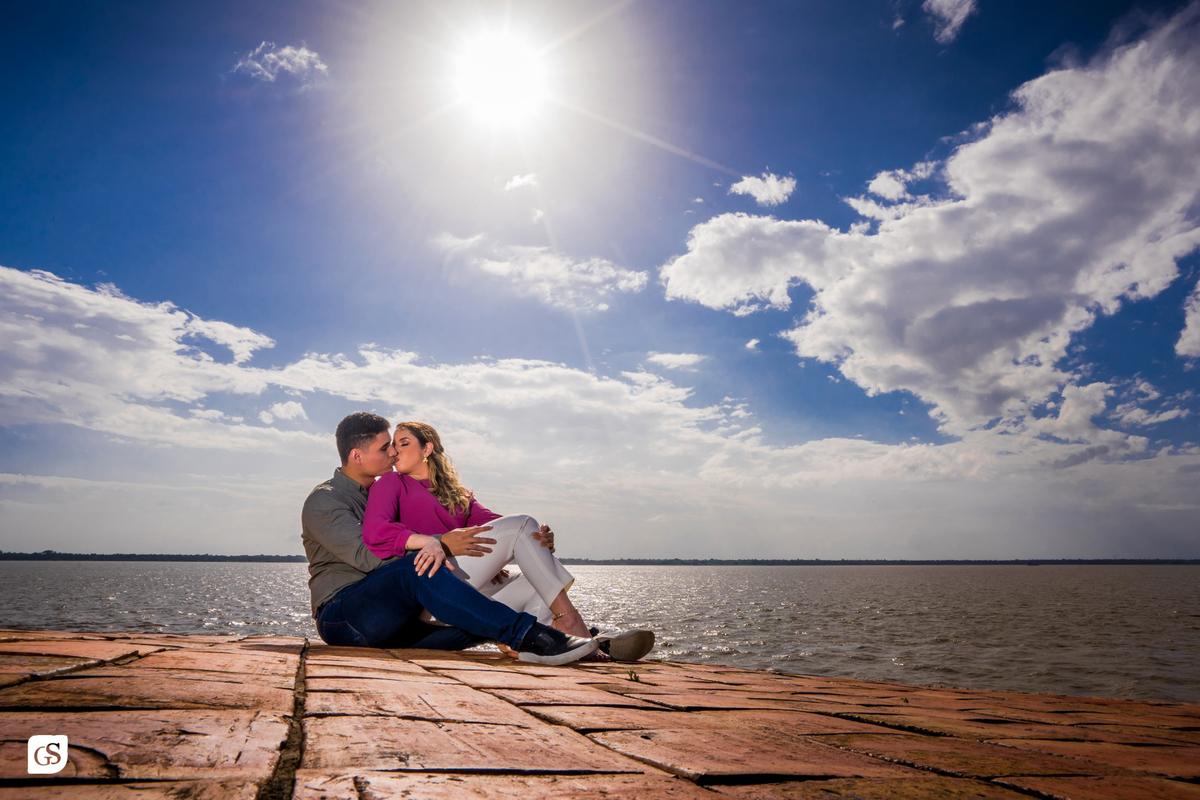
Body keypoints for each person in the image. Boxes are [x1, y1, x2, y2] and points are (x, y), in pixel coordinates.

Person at [301, 412, 597, 665]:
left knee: (521, 582)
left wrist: (530, 539)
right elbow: (369, 558)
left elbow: (490, 523)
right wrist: (442, 543)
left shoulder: (382, 492)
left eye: (396, 446)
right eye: (385, 448)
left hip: (404, 625)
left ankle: (563, 640)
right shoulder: (326, 501)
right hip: (346, 618)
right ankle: (530, 636)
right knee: (417, 567)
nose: (392, 453)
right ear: (357, 456)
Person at [362, 421, 655, 662]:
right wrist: (433, 541)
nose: (394, 451)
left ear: (426, 449)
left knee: (537, 579)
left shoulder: (458, 495)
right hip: (432, 590)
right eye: (392, 445)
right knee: (522, 527)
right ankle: (577, 630)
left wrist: (539, 536)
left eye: (403, 443)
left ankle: (541, 647)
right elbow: (376, 531)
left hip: (469, 593)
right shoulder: (391, 483)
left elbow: (496, 523)